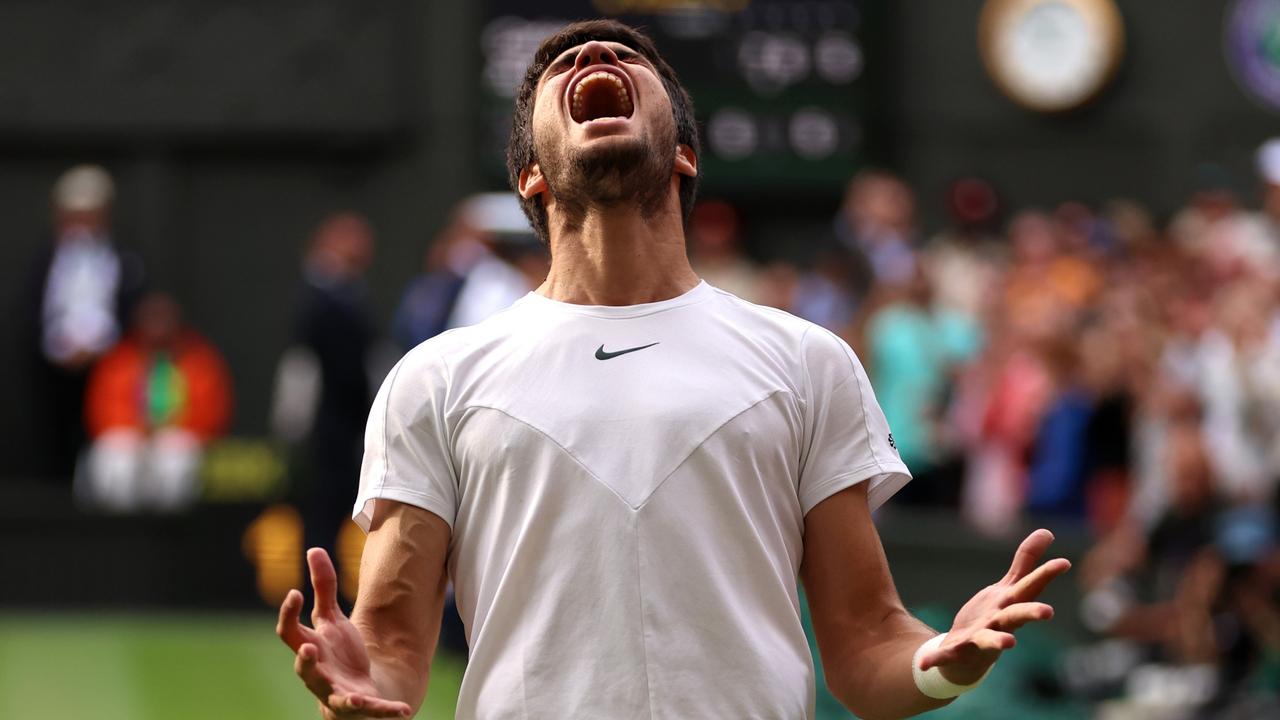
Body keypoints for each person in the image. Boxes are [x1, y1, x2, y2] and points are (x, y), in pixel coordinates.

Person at [275, 20, 1070, 719]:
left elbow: (866, 645)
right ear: (531, 178)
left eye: (627, 56)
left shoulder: (808, 362)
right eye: (561, 68)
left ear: (684, 155)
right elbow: (390, 650)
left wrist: (941, 664)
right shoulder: (436, 379)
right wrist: (359, 694)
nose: (592, 50)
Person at [24, 164, 144, 479]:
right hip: (53, 367)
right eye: (73, 214)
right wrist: (61, 346)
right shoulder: (44, 259)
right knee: (56, 437)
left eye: (90, 214)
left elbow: (130, 308)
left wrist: (99, 348)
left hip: (109, 366)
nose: (81, 223)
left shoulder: (124, 258)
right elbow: (33, 310)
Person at [81, 292, 232, 511]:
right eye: (152, 318)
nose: (158, 326)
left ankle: (170, 536)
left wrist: (167, 430)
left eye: (163, 319)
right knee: (117, 456)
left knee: (174, 456)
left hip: (177, 439)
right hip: (132, 438)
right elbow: (102, 410)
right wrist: (141, 431)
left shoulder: (199, 360)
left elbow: (212, 413)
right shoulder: (118, 360)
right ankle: (121, 532)